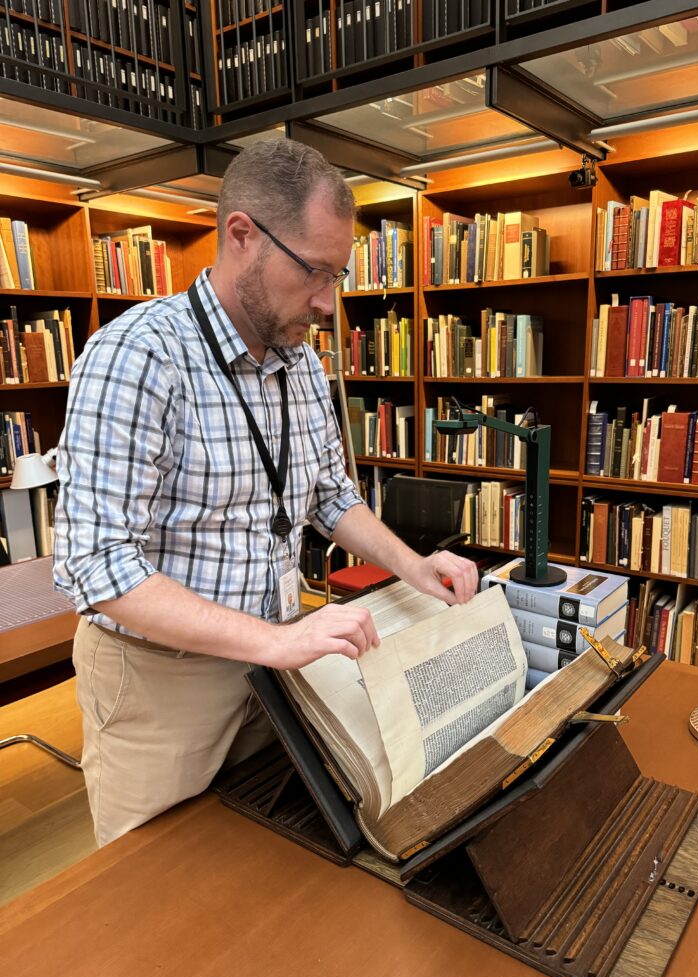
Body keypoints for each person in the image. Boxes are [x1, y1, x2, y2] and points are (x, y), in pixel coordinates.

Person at [54, 137, 478, 847]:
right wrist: (278, 642)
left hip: (275, 663)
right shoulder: (138, 356)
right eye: (314, 271)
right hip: (163, 681)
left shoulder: (301, 365)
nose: (325, 301)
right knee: (153, 904)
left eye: (336, 275)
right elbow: (96, 566)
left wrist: (412, 565)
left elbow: (329, 496)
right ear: (242, 235)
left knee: (260, 870)